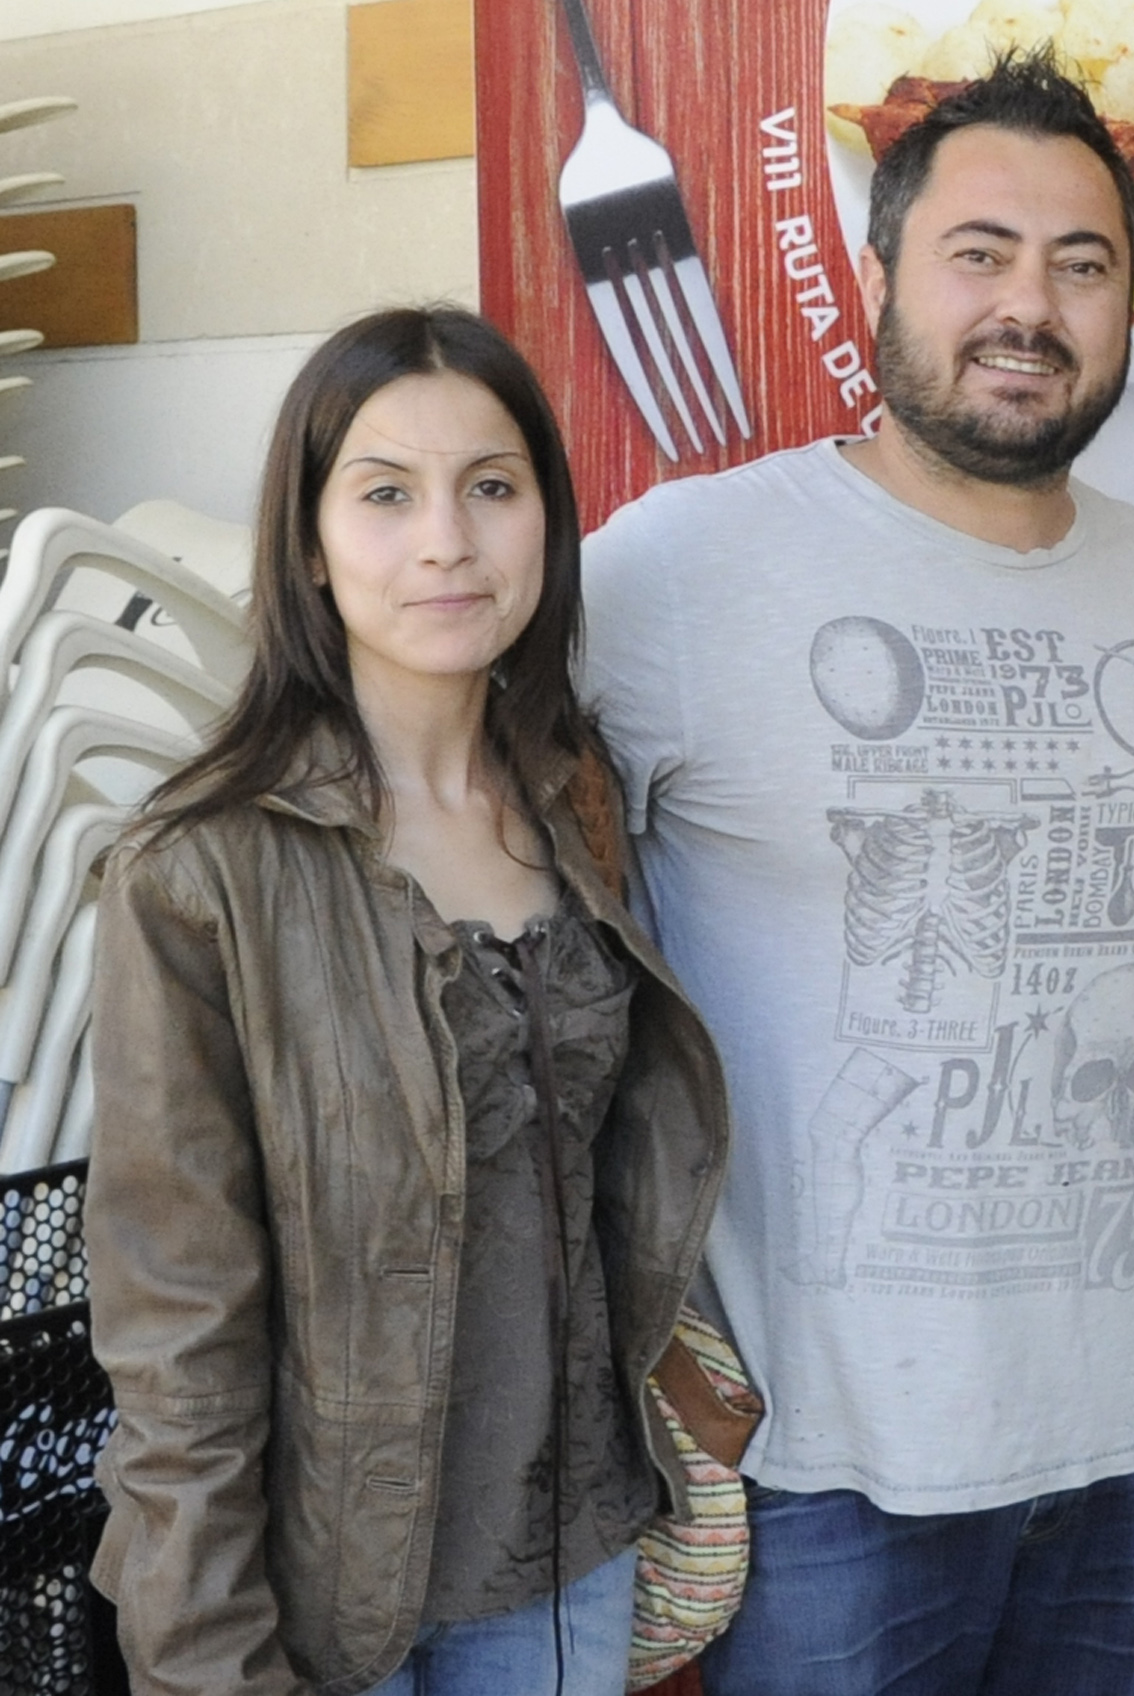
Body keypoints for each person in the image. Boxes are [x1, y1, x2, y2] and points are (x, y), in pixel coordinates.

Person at [580, 48, 1134, 1696]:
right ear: (877, 276)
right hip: (821, 1478)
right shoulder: (684, 567)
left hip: (1132, 1457)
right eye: (979, 254)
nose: (1030, 306)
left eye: (1081, 265)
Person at [86, 306, 732, 1695]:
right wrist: (203, 1655)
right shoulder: (202, 869)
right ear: (310, 546)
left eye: (492, 487)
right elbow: (177, 1329)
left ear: (549, 525)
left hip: (569, 1561)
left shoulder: (580, 802)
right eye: (385, 494)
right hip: (324, 1596)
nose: (447, 540)